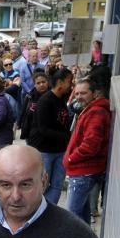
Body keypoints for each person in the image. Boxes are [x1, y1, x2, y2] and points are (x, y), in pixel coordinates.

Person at [63, 78, 112, 224]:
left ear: (95, 93)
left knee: (70, 218)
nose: (78, 97)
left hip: (83, 172)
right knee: (82, 216)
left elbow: (91, 144)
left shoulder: (95, 113)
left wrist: (71, 158)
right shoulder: (91, 110)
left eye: (83, 93)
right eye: (76, 93)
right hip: (84, 171)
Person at [27, 68, 74, 205]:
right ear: (60, 82)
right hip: (45, 150)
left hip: (61, 151)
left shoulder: (62, 99)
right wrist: (67, 137)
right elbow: (43, 129)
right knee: (42, 185)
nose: (71, 85)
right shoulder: (45, 101)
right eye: (68, 82)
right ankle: (37, 211)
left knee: (57, 185)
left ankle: (49, 212)